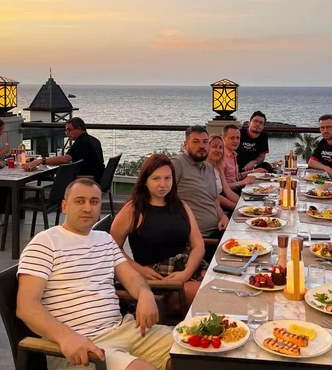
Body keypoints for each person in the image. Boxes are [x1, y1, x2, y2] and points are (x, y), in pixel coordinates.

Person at [17, 178, 172, 370]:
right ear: (64, 206)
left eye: (94, 202)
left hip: (125, 329)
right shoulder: (45, 243)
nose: (87, 208)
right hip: (81, 346)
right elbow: (26, 306)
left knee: (191, 351)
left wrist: (145, 294)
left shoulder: (105, 240)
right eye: (79, 201)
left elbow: (132, 278)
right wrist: (66, 337)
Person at [110, 154, 206, 309]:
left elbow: (198, 245)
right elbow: (112, 248)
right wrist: (139, 270)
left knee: (229, 285)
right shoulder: (133, 210)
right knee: (213, 294)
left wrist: (186, 273)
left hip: (187, 270)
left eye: (167, 178)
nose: (163, 184)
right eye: (156, 179)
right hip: (159, 282)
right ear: (145, 181)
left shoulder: (180, 206)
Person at [171, 126, 228, 261]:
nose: (201, 146)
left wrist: (223, 217)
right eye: (196, 141)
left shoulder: (209, 168)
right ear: (185, 145)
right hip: (198, 240)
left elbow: (215, 202)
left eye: (205, 142)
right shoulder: (176, 165)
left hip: (218, 231)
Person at [24, 117, 105, 181]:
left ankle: (56, 197)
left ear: (79, 129)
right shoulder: (93, 140)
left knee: (56, 178)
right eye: (66, 131)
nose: (67, 133)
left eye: (69, 130)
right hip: (99, 177)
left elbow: (65, 159)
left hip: (88, 180)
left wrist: (41, 161)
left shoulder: (81, 143)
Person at [221, 124, 265, 192]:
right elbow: (221, 187)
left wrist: (253, 172)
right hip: (230, 193)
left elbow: (235, 177)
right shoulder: (221, 158)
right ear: (223, 138)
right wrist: (243, 182)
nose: (236, 141)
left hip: (237, 189)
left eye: (237, 138)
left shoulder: (233, 154)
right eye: (232, 138)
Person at [205, 134, 241, 212]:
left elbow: (228, 192)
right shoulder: (202, 169)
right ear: (206, 148)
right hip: (210, 209)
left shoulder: (218, 168)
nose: (218, 150)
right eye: (214, 147)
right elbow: (216, 196)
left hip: (220, 206)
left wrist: (242, 203)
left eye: (221, 147)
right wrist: (239, 208)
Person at [308, 115, 332, 182]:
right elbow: (311, 162)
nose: (325, 131)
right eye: (322, 128)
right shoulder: (323, 142)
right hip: (324, 180)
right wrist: (327, 169)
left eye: (329, 127)